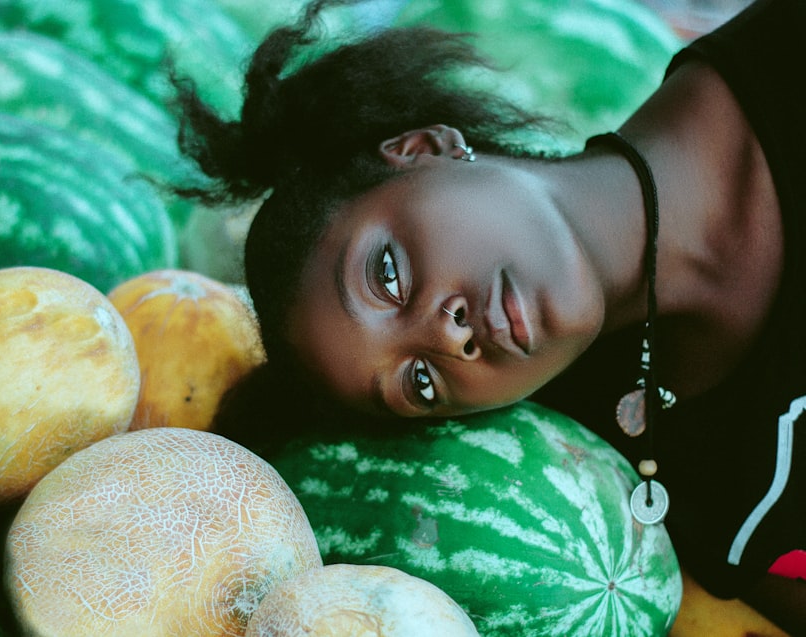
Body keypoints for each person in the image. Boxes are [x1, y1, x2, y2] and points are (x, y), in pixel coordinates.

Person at [170, 0, 805, 631]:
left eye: (387, 274)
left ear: (424, 149)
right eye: (419, 382)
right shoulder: (599, 472)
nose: (446, 337)